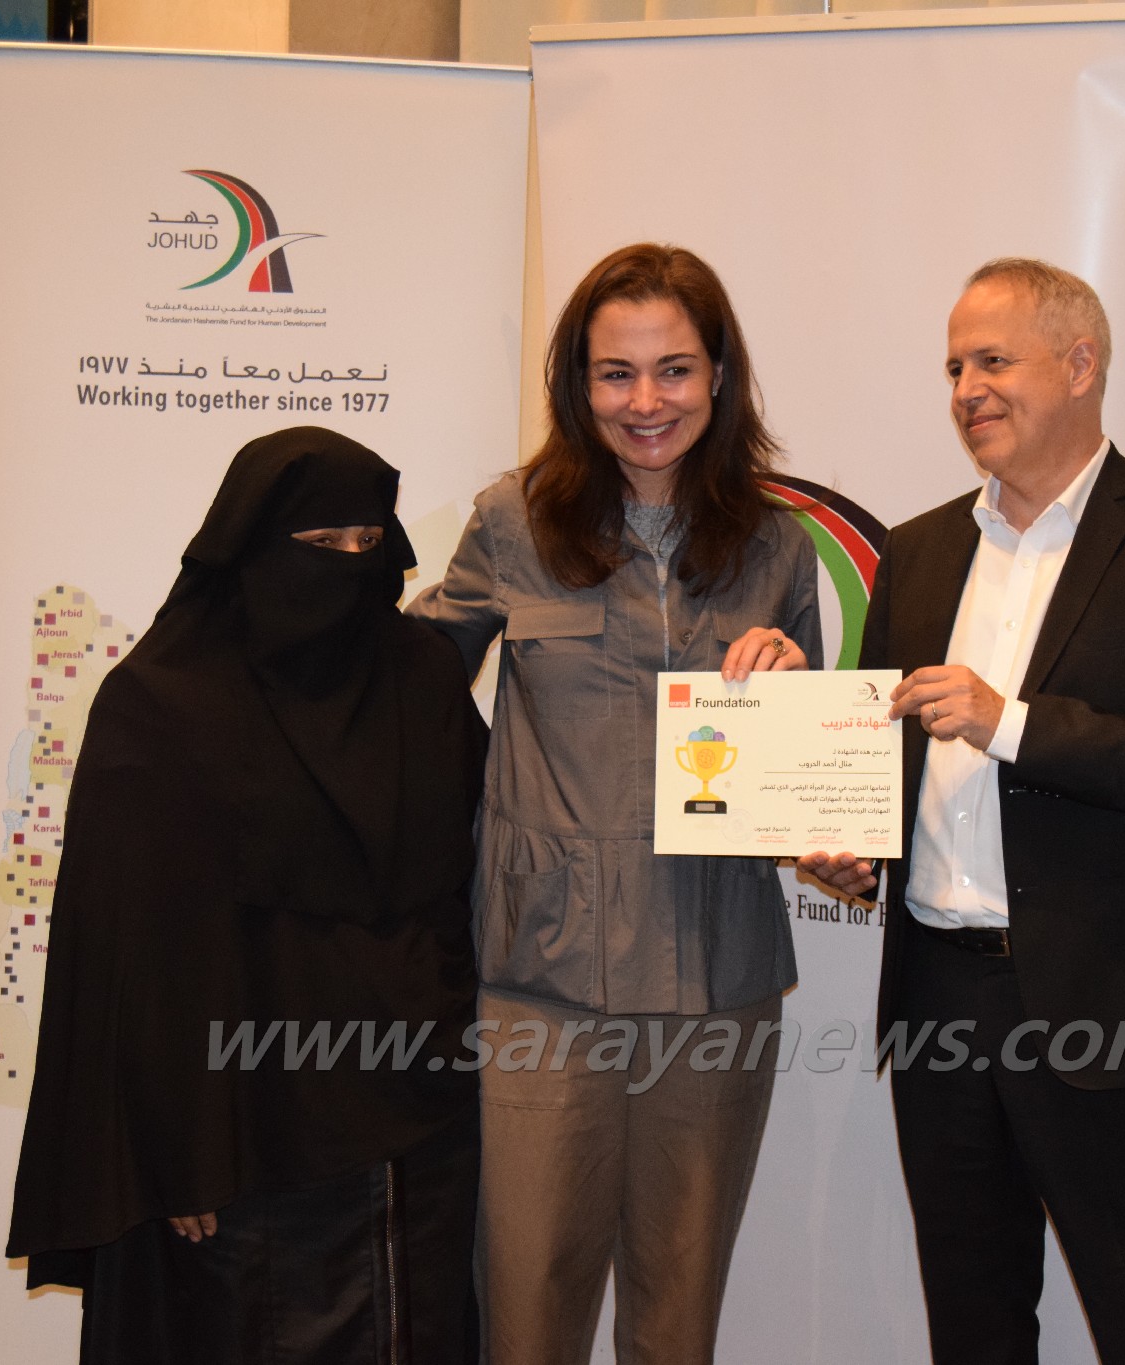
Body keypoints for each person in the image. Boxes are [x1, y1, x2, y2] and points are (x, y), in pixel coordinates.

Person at [804, 258, 1125, 1363]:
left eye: (992, 361)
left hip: (1108, 999)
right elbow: (882, 756)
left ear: (1080, 364)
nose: (967, 388)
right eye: (954, 368)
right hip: (937, 996)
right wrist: (849, 846)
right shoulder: (919, 550)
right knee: (971, 1322)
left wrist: (1007, 720)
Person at [407, 242, 821, 1364]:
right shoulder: (512, 521)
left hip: (717, 971)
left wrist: (797, 692)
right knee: (527, 1300)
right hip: (542, 978)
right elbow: (405, 688)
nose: (646, 402)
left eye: (674, 370)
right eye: (615, 373)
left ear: (718, 375)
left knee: (679, 1304)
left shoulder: (777, 546)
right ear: (575, 383)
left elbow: (805, 785)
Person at [6, 427, 485, 1364]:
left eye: (368, 541)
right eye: (321, 543)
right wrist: (174, 1153)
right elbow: (130, 954)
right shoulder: (163, 704)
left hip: (419, 1118)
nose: (349, 563)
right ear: (251, 548)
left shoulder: (420, 675)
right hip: (248, 1138)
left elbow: (470, 870)